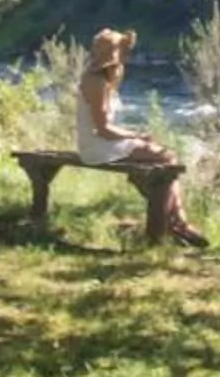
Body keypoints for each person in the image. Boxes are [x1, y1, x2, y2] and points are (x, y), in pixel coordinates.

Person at [75, 27, 206, 246]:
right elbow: (103, 128)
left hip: (100, 143)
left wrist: (136, 139)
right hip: (97, 147)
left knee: (157, 164)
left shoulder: (100, 78)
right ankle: (176, 223)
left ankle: (173, 222)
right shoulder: (96, 82)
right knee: (168, 158)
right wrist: (137, 136)